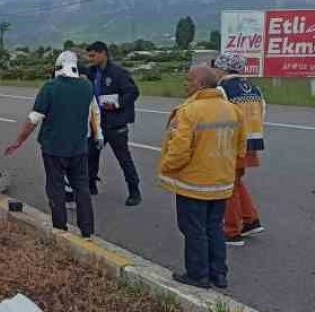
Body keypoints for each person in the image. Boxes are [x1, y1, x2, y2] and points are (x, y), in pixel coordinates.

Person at [158, 66, 246, 289]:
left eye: (188, 80)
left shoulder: (188, 111)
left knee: (193, 229)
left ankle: (198, 275)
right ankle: (219, 274)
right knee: (214, 227)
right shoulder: (233, 110)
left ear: (201, 84)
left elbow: (179, 152)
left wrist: (165, 167)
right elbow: (240, 147)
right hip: (222, 182)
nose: (184, 84)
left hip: (194, 184)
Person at [5, 51, 95, 238]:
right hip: (79, 148)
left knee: (56, 187)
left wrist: (18, 142)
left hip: (54, 148)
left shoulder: (50, 88)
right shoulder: (87, 87)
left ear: (57, 67)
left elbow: (33, 119)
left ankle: (60, 228)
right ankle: (87, 230)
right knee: (82, 188)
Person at [212, 53, 266, 246]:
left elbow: (219, 116)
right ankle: (250, 219)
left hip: (232, 143)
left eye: (216, 67)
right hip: (252, 141)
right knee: (236, 182)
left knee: (228, 186)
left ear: (223, 69)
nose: (214, 71)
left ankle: (232, 230)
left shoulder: (222, 90)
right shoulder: (254, 89)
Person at [86, 41, 142, 206]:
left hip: (115, 123)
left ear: (103, 53)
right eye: (89, 56)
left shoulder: (118, 73)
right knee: (90, 155)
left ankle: (134, 191)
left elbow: (133, 92)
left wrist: (117, 104)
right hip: (96, 123)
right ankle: (90, 185)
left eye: (93, 55)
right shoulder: (91, 72)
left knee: (124, 158)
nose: (90, 59)